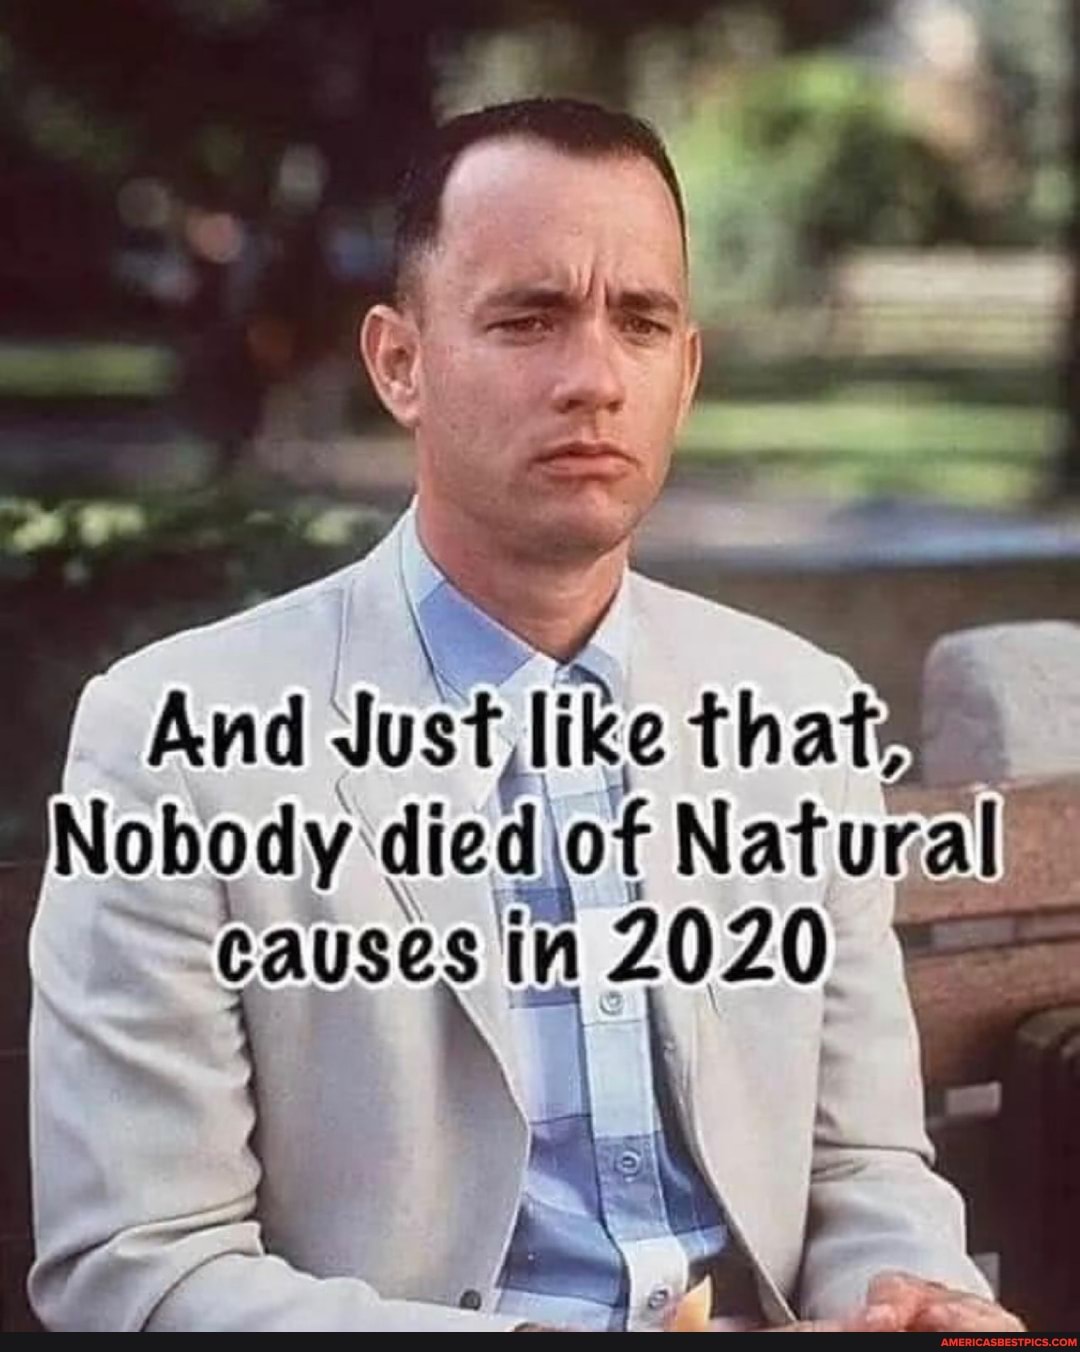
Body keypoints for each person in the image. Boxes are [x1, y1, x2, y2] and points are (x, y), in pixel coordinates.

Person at [28, 98, 1023, 1333]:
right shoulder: (172, 739)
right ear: (400, 363)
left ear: (686, 373)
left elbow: (862, 1166)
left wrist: (913, 1299)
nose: (594, 378)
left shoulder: (796, 709)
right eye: (528, 317)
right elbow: (140, 1266)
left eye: (640, 322)